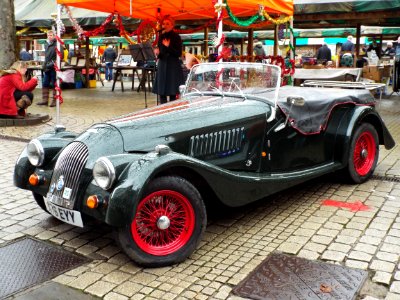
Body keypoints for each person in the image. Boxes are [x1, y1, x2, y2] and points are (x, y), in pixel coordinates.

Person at [152, 15, 184, 104]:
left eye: (167, 24)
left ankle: (171, 109)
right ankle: (163, 109)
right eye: (164, 24)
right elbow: (161, 53)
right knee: (161, 91)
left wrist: (168, 46)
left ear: (172, 25)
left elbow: (178, 53)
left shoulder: (176, 37)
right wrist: (158, 54)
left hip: (172, 65)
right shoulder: (161, 37)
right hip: (162, 64)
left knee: (172, 91)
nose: (164, 25)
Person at [36, 30, 59, 107]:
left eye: (51, 35)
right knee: (45, 83)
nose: (49, 37)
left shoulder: (57, 44)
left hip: (54, 68)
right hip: (47, 67)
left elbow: (59, 56)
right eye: (48, 35)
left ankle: (55, 100)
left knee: (54, 84)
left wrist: (52, 64)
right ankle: (45, 100)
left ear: (54, 35)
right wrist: (44, 65)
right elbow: (46, 57)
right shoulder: (46, 44)